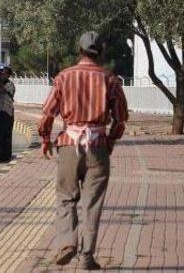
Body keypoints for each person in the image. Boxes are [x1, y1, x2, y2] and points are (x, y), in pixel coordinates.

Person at [39, 31, 128, 270]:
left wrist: (45, 139)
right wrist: (109, 141)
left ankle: (67, 242)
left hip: (69, 144)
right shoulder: (110, 80)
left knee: (66, 198)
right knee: (92, 204)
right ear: (101, 52)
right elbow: (120, 119)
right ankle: (87, 257)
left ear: (79, 50)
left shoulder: (63, 77)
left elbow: (47, 113)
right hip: (97, 146)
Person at [0, 67, 15, 162]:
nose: (0, 76)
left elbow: (1, 90)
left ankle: (5, 155)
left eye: (3, 74)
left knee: (6, 135)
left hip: (7, 113)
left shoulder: (9, 84)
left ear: (8, 75)